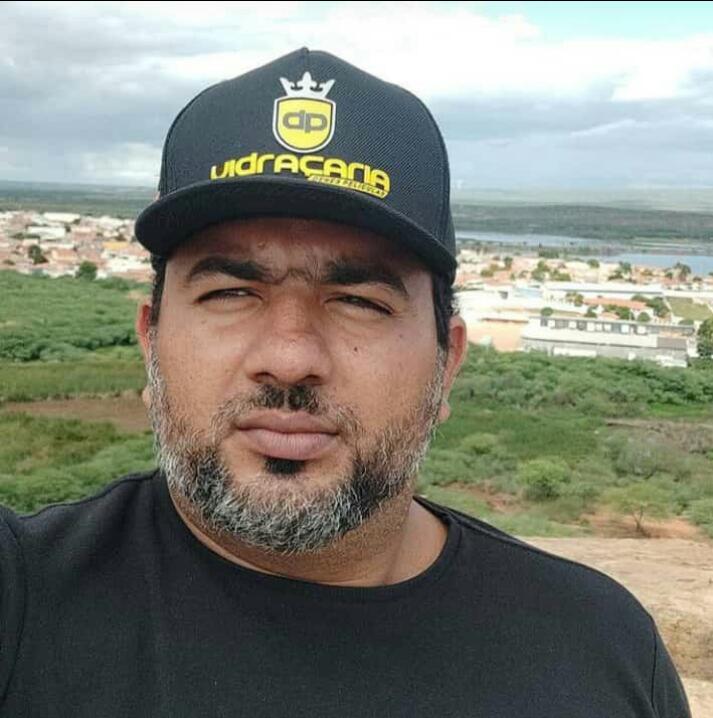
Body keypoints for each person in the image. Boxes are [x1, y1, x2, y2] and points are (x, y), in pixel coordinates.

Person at [0, 48, 691, 717]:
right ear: (151, 342)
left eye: (360, 301)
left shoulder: (601, 650)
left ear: (446, 363)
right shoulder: (24, 602)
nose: (290, 358)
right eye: (231, 292)